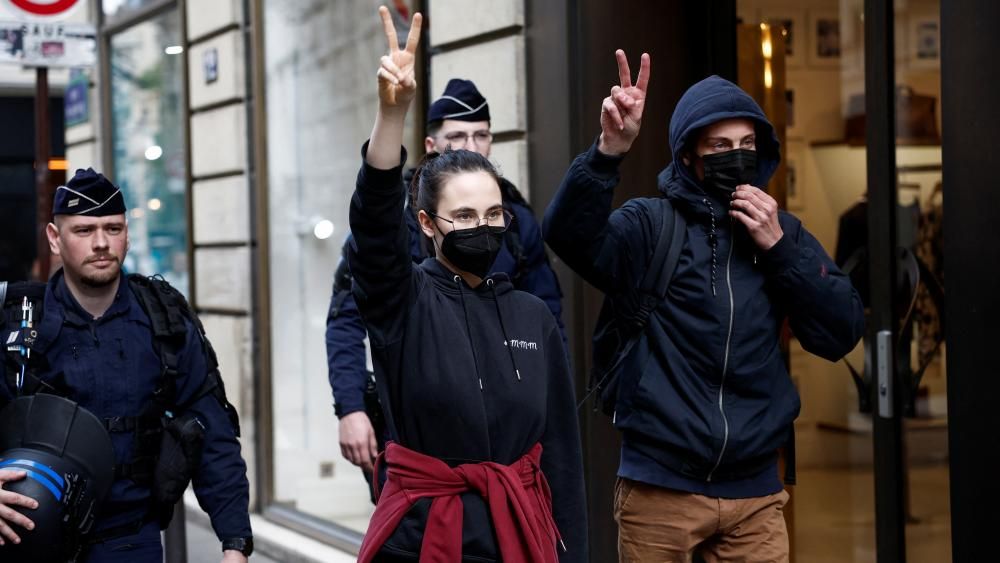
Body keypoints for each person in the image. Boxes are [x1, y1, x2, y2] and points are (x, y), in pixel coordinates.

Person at [543, 52, 865, 562]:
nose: (735, 157)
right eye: (719, 146)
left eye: (746, 146)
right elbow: (566, 236)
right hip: (658, 490)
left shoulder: (786, 234)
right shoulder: (651, 226)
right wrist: (609, 150)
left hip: (757, 494)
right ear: (690, 155)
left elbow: (842, 329)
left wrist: (779, 250)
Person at [348, 7, 586, 562]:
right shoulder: (402, 304)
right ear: (428, 225)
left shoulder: (533, 316)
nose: (483, 228)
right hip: (425, 535)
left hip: (519, 534)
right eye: (465, 216)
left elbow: (564, 465)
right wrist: (392, 115)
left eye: (494, 214)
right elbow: (374, 229)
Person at [0, 168, 254, 562]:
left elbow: (211, 431)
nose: (101, 243)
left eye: (112, 228)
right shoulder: (17, 324)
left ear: (127, 234)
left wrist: (234, 542)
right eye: (84, 231)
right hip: (29, 540)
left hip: (132, 540)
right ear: (55, 238)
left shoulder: (163, 321)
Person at [327, 77, 565, 489]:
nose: (470, 146)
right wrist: (350, 407)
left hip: (504, 446)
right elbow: (348, 318)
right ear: (432, 144)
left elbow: (547, 326)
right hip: (417, 430)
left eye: (481, 134)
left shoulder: (516, 221)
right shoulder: (394, 229)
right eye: (457, 135)